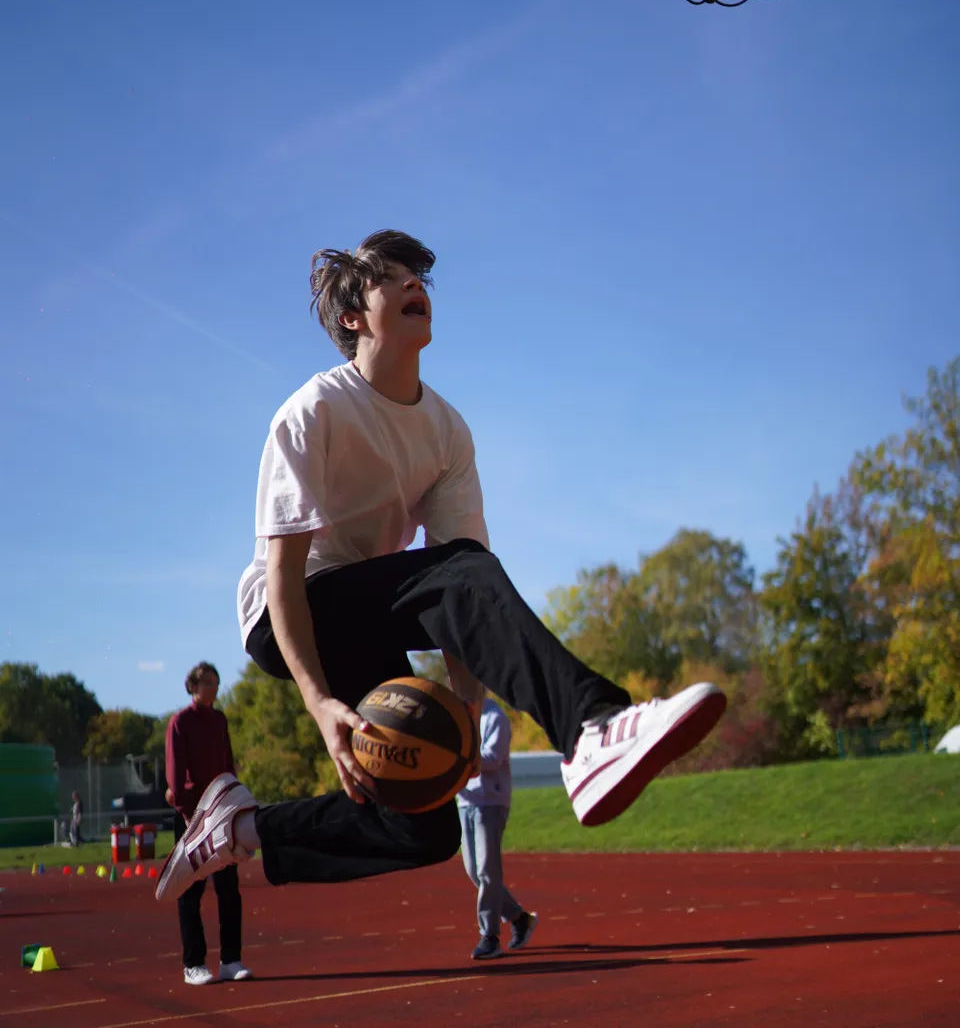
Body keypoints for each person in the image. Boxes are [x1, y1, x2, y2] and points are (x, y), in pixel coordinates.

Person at [155, 230, 726, 906]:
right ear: (352, 318)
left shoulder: (448, 432)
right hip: (289, 613)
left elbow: (468, 597)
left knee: (424, 824)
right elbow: (284, 576)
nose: (413, 284)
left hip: (369, 611)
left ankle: (241, 828)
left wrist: (467, 709)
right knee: (458, 569)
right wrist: (319, 703)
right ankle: (591, 729)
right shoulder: (313, 412)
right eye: (390, 277)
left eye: (418, 277)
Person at [164, 662, 252, 986]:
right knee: (191, 890)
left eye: (216, 683)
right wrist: (187, 813)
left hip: (221, 813)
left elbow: (227, 763)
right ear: (194, 686)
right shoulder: (180, 722)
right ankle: (194, 964)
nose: (215, 688)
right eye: (209, 683)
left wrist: (234, 799)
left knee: (229, 889)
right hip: (192, 816)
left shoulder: (219, 720)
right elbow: (175, 772)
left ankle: (231, 960)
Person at [457, 696, 537, 960]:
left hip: (490, 801)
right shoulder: (455, 716)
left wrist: (455, 759)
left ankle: (489, 936)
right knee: (474, 872)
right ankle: (519, 918)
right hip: (465, 801)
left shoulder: (495, 717)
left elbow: (492, 759)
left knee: (487, 871)